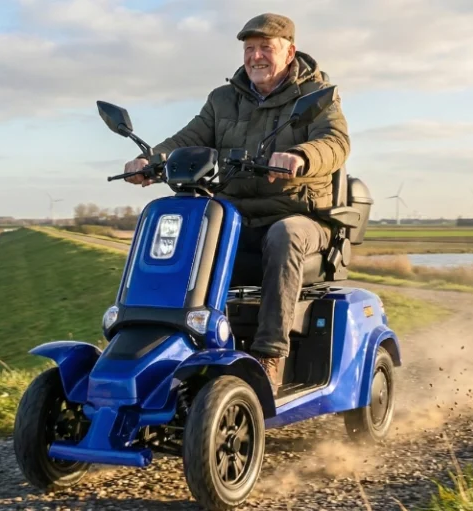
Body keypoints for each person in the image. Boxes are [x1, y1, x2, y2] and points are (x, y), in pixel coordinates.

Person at [122, 13, 351, 394]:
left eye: (266, 48)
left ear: (289, 51)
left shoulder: (318, 95)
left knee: (285, 235)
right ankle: (170, 341)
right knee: (188, 234)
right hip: (235, 216)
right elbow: (189, 137)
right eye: (250, 49)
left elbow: (335, 142)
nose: (255, 56)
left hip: (299, 214)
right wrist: (151, 159)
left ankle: (269, 355)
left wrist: (301, 155)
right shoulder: (223, 99)